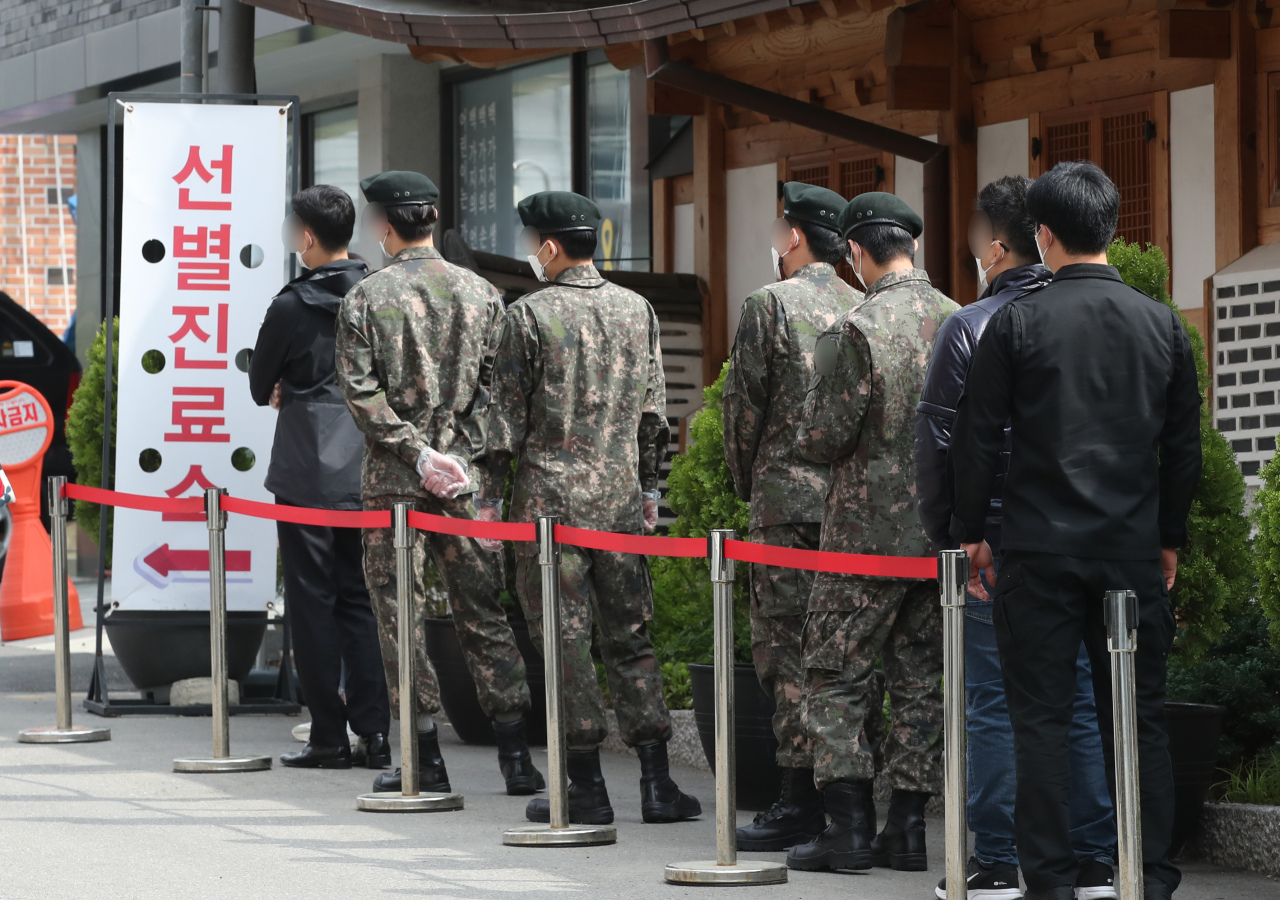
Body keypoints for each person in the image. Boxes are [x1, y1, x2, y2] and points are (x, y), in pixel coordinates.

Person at [950, 161, 1202, 900]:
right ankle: (1148, 874)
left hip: (1038, 550)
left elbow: (977, 437)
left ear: (1044, 234)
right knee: (1139, 718)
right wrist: (1169, 535)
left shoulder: (1016, 322)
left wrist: (972, 531)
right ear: (1112, 229)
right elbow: (1182, 446)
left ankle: (1051, 882)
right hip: (1129, 549)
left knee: (1041, 721)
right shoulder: (1161, 324)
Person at [916, 176, 1118, 900]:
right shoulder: (1089, 315)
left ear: (998, 246)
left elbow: (941, 438)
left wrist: (955, 534)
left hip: (994, 546)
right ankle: (1095, 857)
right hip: (1084, 539)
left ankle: (997, 860)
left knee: (994, 700)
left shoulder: (971, 325)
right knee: (1082, 695)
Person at [474, 190, 700, 827]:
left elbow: (502, 427)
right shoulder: (638, 310)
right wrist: (650, 490)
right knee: (632, 637)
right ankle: (657, 786)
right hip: (621, 504)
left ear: (547, 246)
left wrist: (489, 502)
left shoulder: (527, 316)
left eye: (531, 244)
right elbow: (656, 415)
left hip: (549, 510)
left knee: (565, 643)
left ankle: (585, 787)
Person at [334, 170, 544, 797]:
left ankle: (422, 756)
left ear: (385, 225)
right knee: (483, 610)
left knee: (400, 615)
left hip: (395, 483)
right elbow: (500, 394)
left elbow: (361, 395)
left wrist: (415, 452)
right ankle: (515, 755)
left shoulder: (365, 299)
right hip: (465, 482)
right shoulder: (482, 294)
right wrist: (461, 453)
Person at [784, 192, 956, 874]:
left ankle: (848, 827)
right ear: (910, 246)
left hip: (862, 536)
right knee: (920, 677)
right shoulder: (960, 320)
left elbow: (820, 438)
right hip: (940, 537)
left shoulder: (853, 330)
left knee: (836, 673)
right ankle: (908, 830)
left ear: (854, 251)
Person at [722, 181, 863, 851]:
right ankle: (848, 801)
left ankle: (796, 800)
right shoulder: (865, 306)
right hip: (853, 511)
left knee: (784, 657)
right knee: (841, 658)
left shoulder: (768, 305)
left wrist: (752, 483)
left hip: (784, 507)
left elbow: (741, 413)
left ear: (793, 236)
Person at [249, 185, 389, 770]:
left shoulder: (290, 304)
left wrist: (290, 387)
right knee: (360, 599)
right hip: (366, 461)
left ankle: (327, 736)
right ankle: (376, 733)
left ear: (306, 236)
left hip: (306, 466)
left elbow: (261, 386)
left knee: (311, 600)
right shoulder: (378, 296)